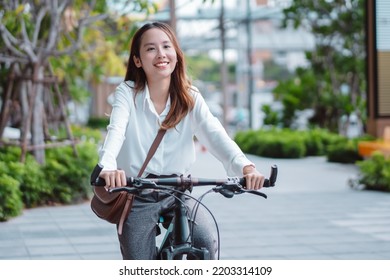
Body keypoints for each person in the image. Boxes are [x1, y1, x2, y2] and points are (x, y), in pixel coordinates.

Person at [97, 21, 266, 260]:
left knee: (206, 241)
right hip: (139, 191)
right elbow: (116, 131)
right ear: (137, 60)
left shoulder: (190, 97)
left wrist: (246, 167)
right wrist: (108, 167)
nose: (161, 54)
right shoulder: (128, 93)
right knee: (138, 260)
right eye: (150, 49)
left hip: (179, 189)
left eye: (167, 46)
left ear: (176, 54)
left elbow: (215, 134)